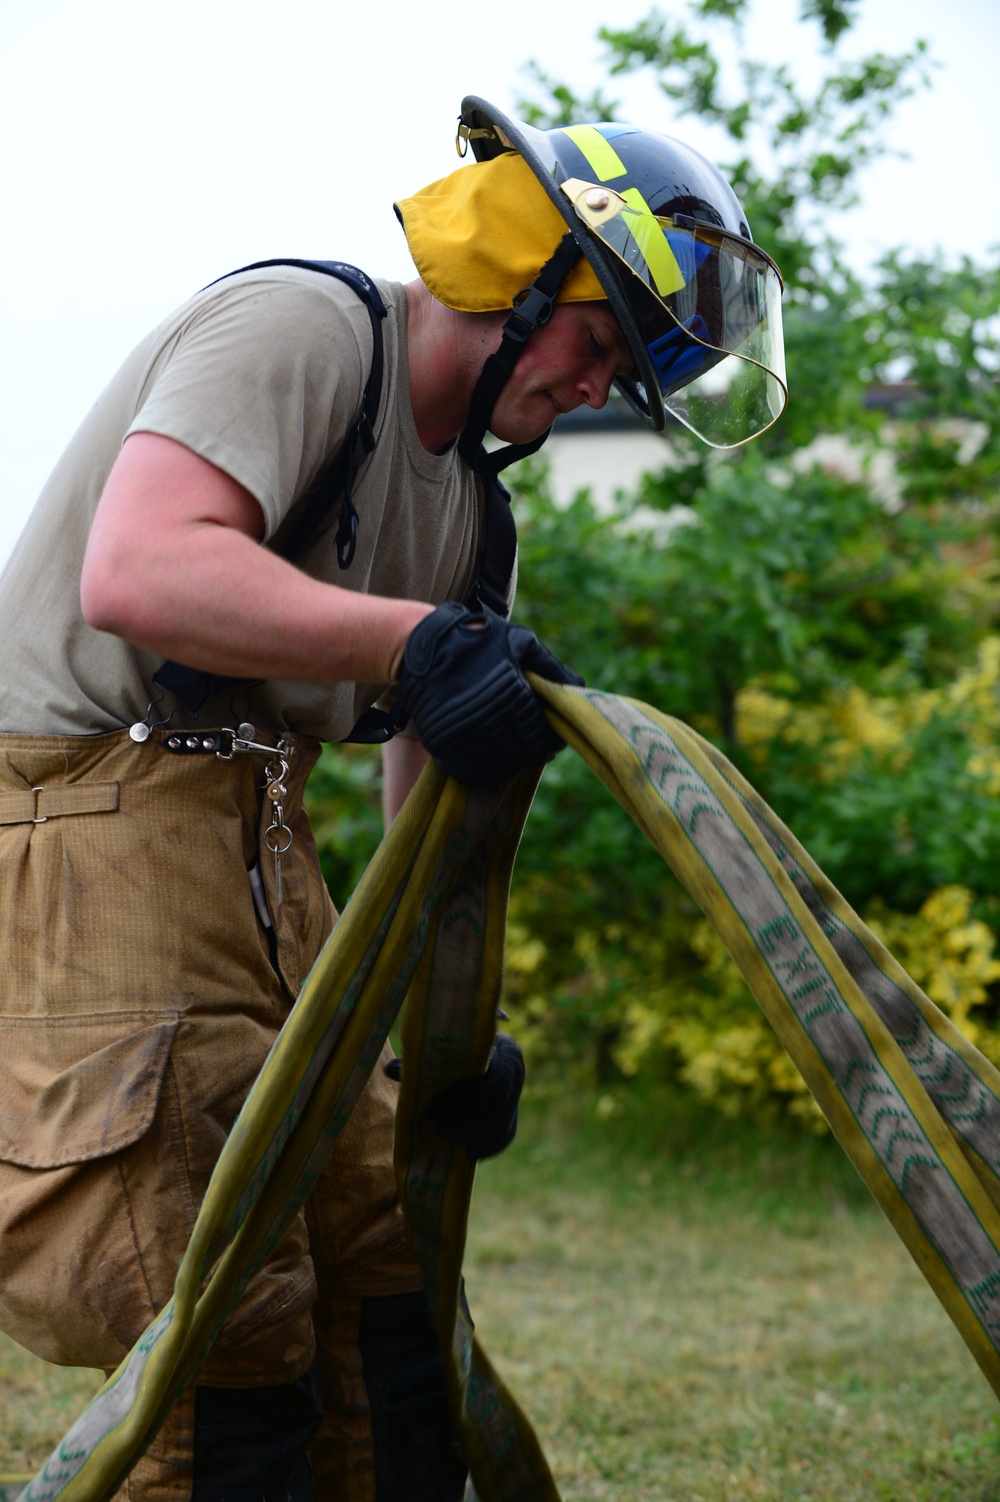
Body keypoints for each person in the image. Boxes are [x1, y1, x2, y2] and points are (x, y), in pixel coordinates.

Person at [0, 95, 786, 1501]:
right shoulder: (303, 330)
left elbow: (438, 794)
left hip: (259, 833)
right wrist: (411, 645)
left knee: (388, 1275)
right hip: (76, 821)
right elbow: (139, 569)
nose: (602, 390)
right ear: (514, 275)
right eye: (599, 342)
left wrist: (444, 1029)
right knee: (221, 1318)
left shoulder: (477, 520)